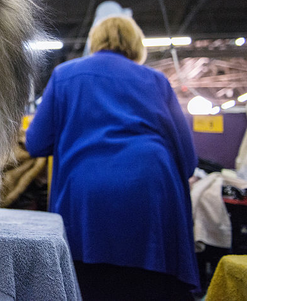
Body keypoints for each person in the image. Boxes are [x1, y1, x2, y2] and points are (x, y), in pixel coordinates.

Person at [25, 15, 200, 300]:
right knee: (149, 289)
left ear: (95, 42)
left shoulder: (65, 75)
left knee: (90, 286)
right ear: (136, 45)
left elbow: (35, 143)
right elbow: (188, 157)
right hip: (151, 192)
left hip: (87, 197)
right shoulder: (156, 80)